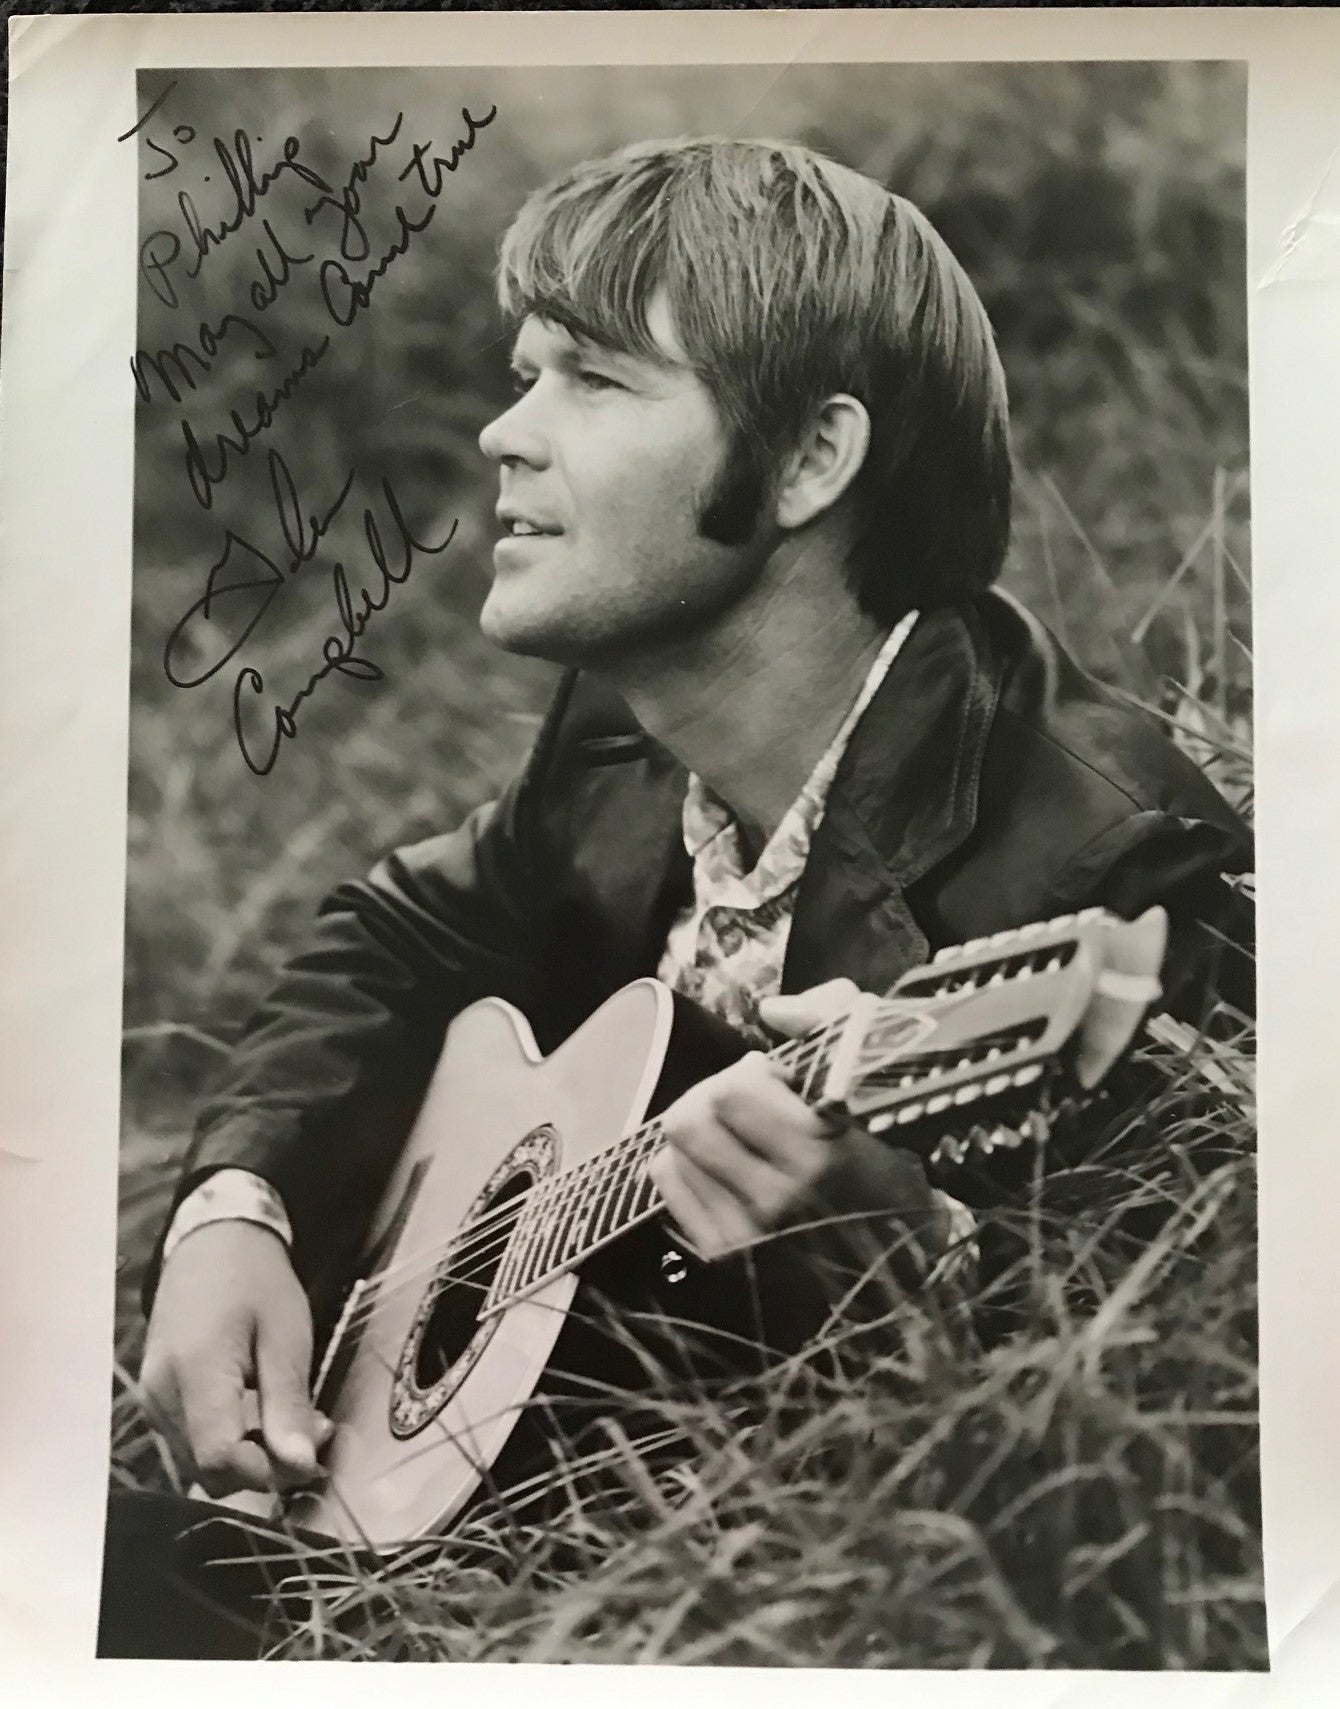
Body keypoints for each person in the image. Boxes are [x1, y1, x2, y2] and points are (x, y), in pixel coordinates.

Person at [99, 137, 1252, 1658]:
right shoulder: (618, 728)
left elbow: (1182, 1479)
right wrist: (234, 1211)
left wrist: (905, 1261)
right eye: (525, 372)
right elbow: (397, 932)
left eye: (594, 378)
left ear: (808, 463)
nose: (506, 431)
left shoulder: (1122, 870)